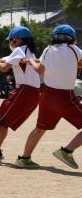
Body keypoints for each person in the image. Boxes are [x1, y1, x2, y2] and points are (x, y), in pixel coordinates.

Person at [15, 25, 82, 169]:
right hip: (64, 96)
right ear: (72, 39)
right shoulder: (74, 49)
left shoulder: (48, 49)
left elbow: (40, 70)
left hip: (47, 95)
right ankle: (66, 151)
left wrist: (31, 61)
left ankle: (24, 158)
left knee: (40, 128)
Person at [0, 25, 41, 164]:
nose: (10, 43)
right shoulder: (28, 51)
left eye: (11, 40)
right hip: (32, 93)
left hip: (25, 91)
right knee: (3, 122)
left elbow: (4, 68)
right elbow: (1, 62)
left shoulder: (19, 50)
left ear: (17, 40)